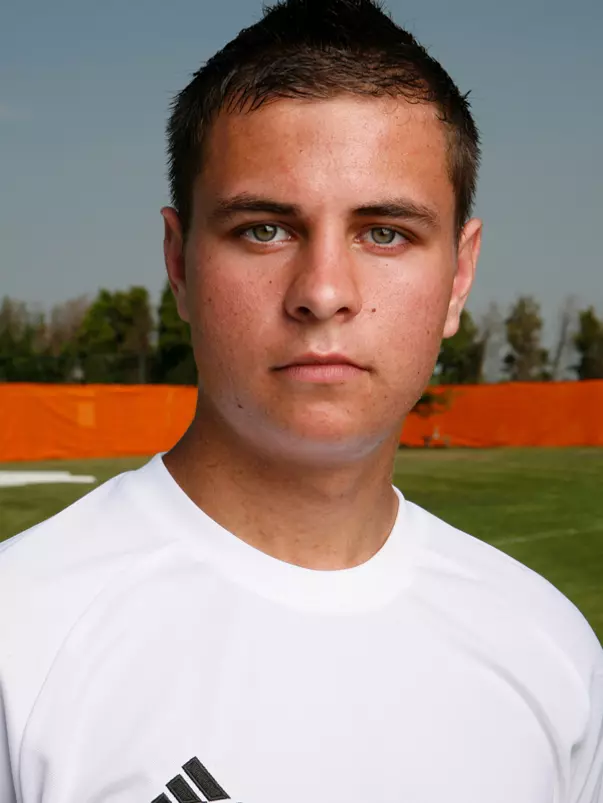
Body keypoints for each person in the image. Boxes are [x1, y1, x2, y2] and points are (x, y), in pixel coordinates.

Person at [0, 0, 601, 800]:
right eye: (263, 229)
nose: (322, 292)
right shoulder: (22, 637)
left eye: (384, 232)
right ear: (178, 263)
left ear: (459, 275)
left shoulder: (550, 649)